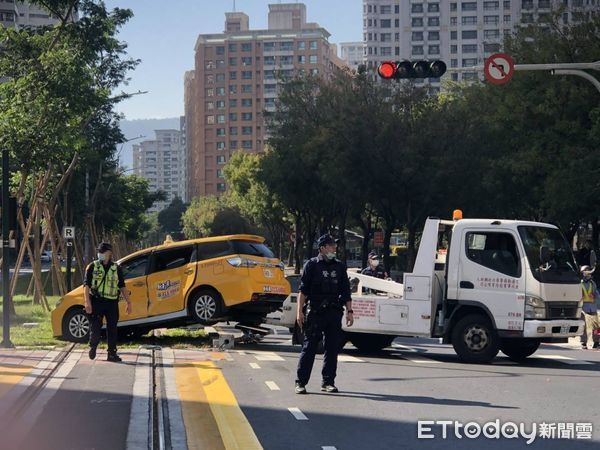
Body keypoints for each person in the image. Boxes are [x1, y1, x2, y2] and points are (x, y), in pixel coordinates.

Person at [295, 234, 353, 394]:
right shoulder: (312, 265)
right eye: (331, 245)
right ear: (322, 248)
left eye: (335, 245)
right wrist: (299, 312)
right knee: (309, 347)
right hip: (315, 312)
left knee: (332, 348)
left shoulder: (340, 267)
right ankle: (300, 382)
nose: (335, 248)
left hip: (334, 312)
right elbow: (303, 291)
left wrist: (350, 311)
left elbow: (346, 291)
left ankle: (328, 382)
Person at [84, 242, 131, 362]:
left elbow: (122, 286)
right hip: (96, 301)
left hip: (111, 303)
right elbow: (86, 285)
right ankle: (93, 346)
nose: (100, 254)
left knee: (112, 328)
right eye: (99, 252)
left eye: (103, 252)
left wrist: (129, 303)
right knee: (95, 327)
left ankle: (111, 353)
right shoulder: (92, 266)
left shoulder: (116, 268)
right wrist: (87, 302)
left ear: (109, 253)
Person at [579, 265, 600, 350]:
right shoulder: (579, 283)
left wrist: (595, 296)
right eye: (586, 271)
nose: (588, 273)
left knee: (596, 326)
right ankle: (583, 343)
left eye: (589, 272)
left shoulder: (592, 283)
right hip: (583, 308)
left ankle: (596, 342)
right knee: (583, 325)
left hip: (592, 307)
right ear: (583, 273)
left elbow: (597, 294)